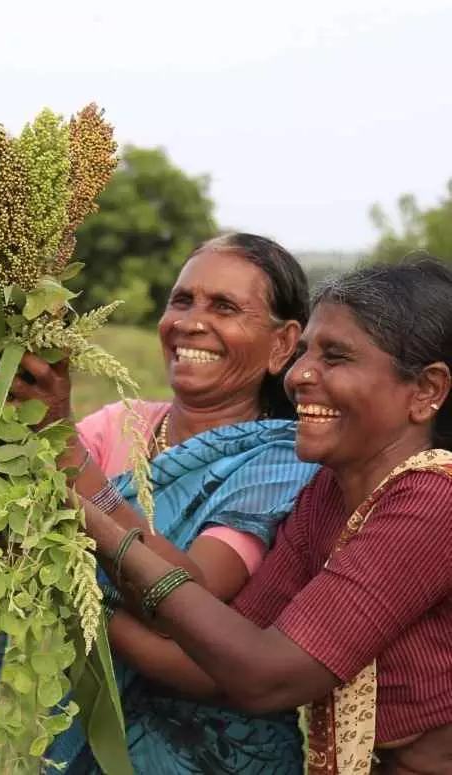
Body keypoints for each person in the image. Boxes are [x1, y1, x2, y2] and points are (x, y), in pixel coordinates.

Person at [0, 233, 319, 773]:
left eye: (224, 307)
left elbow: (189, 596)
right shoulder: (116, 425)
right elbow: (8, 530)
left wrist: (66, 460)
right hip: (67, 737)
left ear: (282, 344)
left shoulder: (281, 459)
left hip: (206, 752)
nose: (191, 322)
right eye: (182, 300)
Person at [80, 256, 452, 774]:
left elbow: (264, 675)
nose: (299, 375)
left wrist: (91, 523)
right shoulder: (327, 493)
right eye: (306, 354)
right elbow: (222, 657)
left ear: (428, 390)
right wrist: (81, 593)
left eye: (337, 356)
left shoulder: (434, 502)